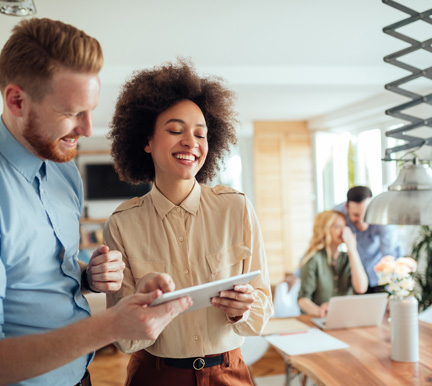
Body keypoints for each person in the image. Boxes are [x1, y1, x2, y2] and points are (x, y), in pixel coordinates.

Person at [0, 18, 191, 386]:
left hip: (80, 377)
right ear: (16, 100)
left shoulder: (65, 173)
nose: (88, 129)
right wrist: (111, 325)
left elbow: (39, 278)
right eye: (72, 113)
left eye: (91, 110)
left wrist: (87, 277)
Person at [104, 59, 273, 386]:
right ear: (147, 141)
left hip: (230, 373)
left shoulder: (236, 208)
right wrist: (144, 309)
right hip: (155, 376)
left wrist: (241, 310)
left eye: (200, 134)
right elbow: (125, 340)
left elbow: (262, 308)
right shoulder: (122, 224)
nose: (191, 143)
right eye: (174, 130)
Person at [297, 210, 368, 317]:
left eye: (344, 227)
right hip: (319, 321)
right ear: (325, 229)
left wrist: (352, 249)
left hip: (345, 318)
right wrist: (321, 312)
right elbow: (303, 300)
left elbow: (361, 288)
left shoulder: (347, 258)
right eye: (338, 227)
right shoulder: (313, 259)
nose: (343, 232)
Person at [334, 186, 402, 293]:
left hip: (379, 272)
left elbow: (390, 255)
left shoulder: (384, 216)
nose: (361, 220)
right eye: (356, 215)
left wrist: (392, 290)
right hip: (354, 273)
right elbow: (321, 240)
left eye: (365, 214)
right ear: (346, 207)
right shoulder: (337, 214)